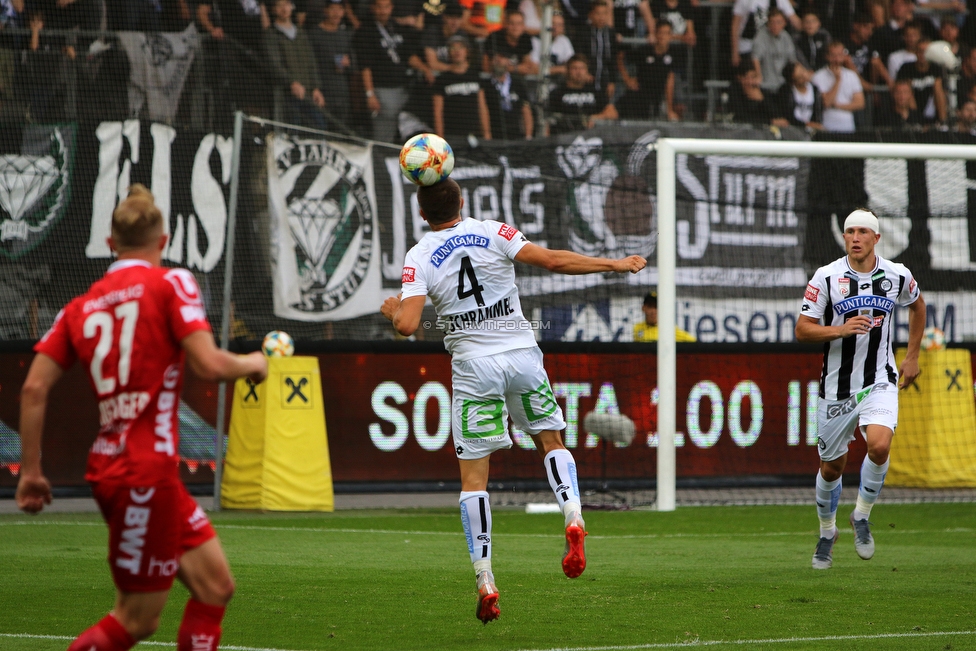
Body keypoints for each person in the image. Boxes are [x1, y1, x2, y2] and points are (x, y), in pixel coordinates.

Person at [380, 178, 646, 623]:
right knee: (552, 442)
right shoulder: (494, 231)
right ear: (462, 201)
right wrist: (614, 264)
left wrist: (391, 310)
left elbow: (408, 325)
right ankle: (574, 515)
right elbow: (553, 261)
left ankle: (485, 578)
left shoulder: (420, 255)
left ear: (422, 214)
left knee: (474, 481)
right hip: (522, 354)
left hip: (474, 368)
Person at [16, 185, 269, 650]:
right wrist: (254, 363)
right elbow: (210, 365)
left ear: (110, 245)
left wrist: (30, 472)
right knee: (135, 620)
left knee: (216, 587)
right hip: (141, 474)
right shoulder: (170, 284)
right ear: (164, 242)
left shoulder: (80, 306)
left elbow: (33, 387)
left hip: (133, 470)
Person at [796, 208, 924, 571]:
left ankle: (862, 515)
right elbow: (803, 329)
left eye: (862, 232)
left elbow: (918, 307)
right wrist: (840, 329)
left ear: (876, 238)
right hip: (836, 387)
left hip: (879, 379)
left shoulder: (897, 275)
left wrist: (911, 357)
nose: (855, 237)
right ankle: (827, 532)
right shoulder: (826, 277)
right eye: (849, 231)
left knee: (880, 445)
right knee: (832, 468)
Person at [355, 0, 418, 142]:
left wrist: (426, 69)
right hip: (382, 90)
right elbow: (365, 66)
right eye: (379, 7)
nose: (383, 10)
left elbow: (409, 56)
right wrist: (370, 94)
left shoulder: (396, 27)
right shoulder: (366, 31)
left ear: (391, 8)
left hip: (403, 88)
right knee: (384, 134)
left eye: (386, 7)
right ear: (372, 8)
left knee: (406, 131)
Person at [265, 0, 327, 129]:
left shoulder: (301, 33)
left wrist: (316, 87)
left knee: (320, 128)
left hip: (308, 92)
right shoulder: (271, 34)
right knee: (293, 131)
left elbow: (311, 62)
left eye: (287, 4)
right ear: (273, 9)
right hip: (287, 94)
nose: (284, 8)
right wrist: (291, 82)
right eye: (279, 5)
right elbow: (274, 64)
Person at [616, 20, 680, 120]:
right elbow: (621, 57)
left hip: (657, 98)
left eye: (667, 33)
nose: (663, 36)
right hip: (638, 96)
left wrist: (670, 109)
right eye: (661, 33)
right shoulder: (644, 51)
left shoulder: (673, 54)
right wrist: (627, 79)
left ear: (671, 36)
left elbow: (670, 81)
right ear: (655, 34)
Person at [432, 35, 492, 140]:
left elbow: (482, 107)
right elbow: (437, 112)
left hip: (475, 134)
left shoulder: (476, 76)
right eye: (453, 48)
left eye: (460, 47)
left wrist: (486, 133)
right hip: (452, 135)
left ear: (467, 51)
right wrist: (440, 138)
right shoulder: (442, 80)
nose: (457, 51)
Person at [310, 0, 355, 130]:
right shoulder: (313, 34)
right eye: (332, 9)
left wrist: (348, 63)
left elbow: (354, 65)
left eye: (340, 9)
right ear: (325, 10)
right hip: (321, 92)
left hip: (342, 94)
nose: (336, 13)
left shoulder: (346, 35)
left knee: (340, 132)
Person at [547, 54, 619, 134]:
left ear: (587, 71)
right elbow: (548, 119)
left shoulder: (595, 92)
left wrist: (594, 118)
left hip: (591, 135)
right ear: (567, 71)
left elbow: (612, 113)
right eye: (575, 68)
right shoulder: (557, 93)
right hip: (565, 135)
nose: (579, 72)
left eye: (582, 68)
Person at [731, 0, 800, 70]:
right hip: (747, 47)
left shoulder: (781, 1)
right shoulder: (745, 1)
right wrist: (735, 52)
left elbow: (796, 22)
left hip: (771, 50)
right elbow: (735, 26)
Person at [896, 32, 947, 125]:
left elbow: (940, 92)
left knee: (938, 88)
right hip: (912, 112)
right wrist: (918, 120)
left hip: (931, 108)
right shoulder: (906, 68)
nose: (923, 54)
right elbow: (906, 93)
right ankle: (916, 122)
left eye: (926, 51)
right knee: (906, 91)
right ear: (915, 52)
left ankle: (943, 123)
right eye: (920, 51)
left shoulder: (936, 68)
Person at [812, 40, 864, 132]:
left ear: (844, 56)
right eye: (833, 55)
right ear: (827, 56)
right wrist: (838, 80)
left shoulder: (851, 75)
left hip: (848, 126)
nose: (836, 59)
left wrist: (838, 106)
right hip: (827, 125)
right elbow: (827, 102)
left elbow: (860, 103)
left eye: (839, 55)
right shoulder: (818, 76)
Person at [571, 0, 618, 99]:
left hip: (605, 80)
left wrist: (612, 81)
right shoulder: (582, 33)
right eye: (598, 13)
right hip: (587, 80)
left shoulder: (611, 34)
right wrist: (585, 73)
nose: (601, 17)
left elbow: (613, 59)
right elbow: (579, 56)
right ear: (591, 15)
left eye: (604, 13)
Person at [483, 50, 534, 139]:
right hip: (495, 136)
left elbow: (526, 109)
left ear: (508, 61)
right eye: (495, 58)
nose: (498, 60)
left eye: (502, 57)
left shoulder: (517, 83)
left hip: (516, 134)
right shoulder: (486, 85)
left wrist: (528, 135)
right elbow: (484, 111)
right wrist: (487, 136)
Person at [752, 8, 798, 92]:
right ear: (768, 23)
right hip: (766, 84)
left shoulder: (786, 37)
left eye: (778, 22)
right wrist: (758, 75)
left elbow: (792, 60)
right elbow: (755, 58)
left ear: (784, 23)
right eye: (772, 22)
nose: (775, 25)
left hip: (783, 84)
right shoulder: (761, 36)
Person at [483, 9, 538, 75]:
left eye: (519, 24)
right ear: (506, 24)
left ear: (523, 26)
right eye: (512, 23)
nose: (515, 27)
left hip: (518, 80)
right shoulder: (495, 37)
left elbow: (527, 65)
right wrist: (516, 68)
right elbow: (488, 67)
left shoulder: (525, 38)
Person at [774, 61, 824, 129]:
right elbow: (787, 117)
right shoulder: (785, 92)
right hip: (793, 128)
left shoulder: (814, 89)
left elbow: (817, 113)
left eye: (803, 71)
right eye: (800, 77)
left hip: (812, 128)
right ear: (793, 82)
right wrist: (805, 124)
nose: (804, 76)